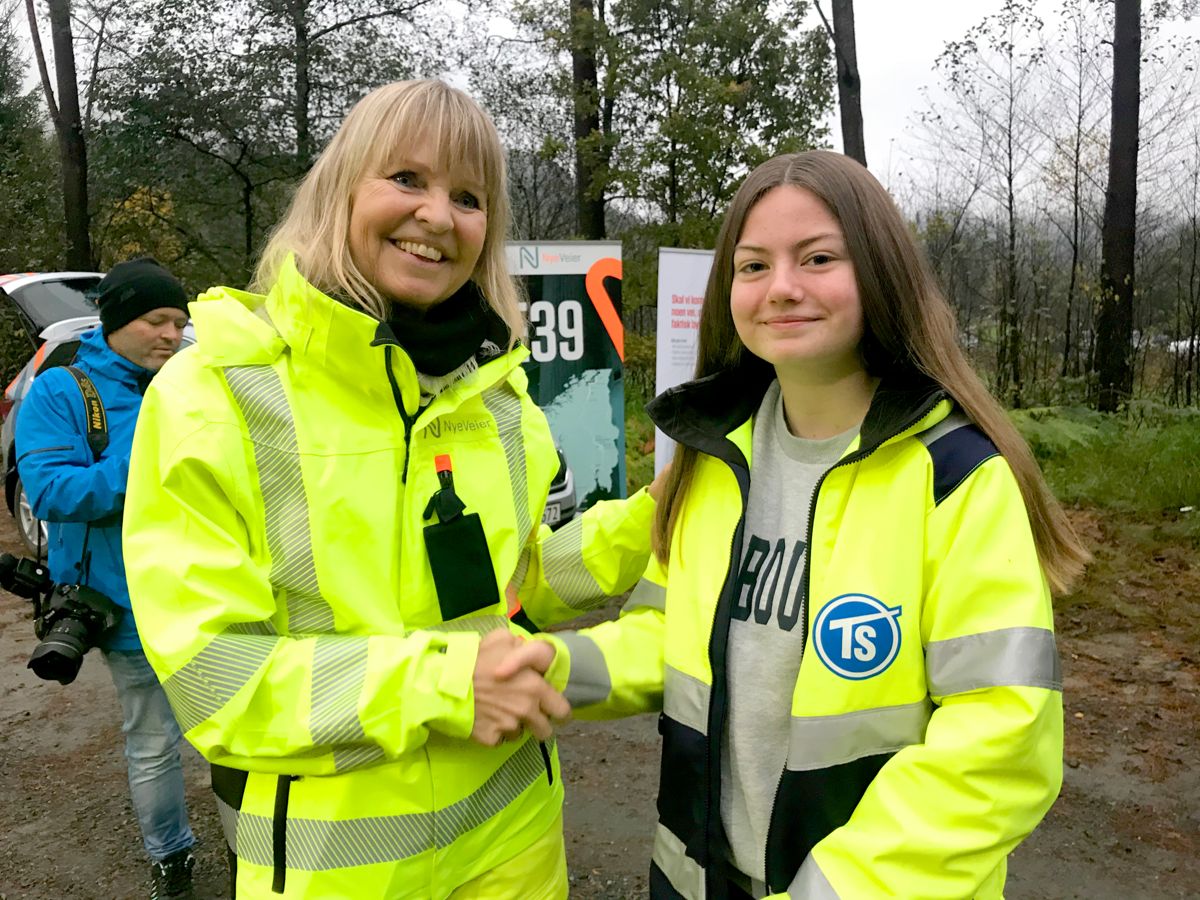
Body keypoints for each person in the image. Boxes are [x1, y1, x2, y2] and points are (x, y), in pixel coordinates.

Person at [120, 79, 655, 899]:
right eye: (407, 179)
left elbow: (518, 588)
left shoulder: (501, 400)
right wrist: (443, 685)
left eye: (469, 197)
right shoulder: (215, 393)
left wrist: (655, 516)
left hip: (518, 849)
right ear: (339, 189)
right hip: (336, 873)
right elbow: (214, 676)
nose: (439, 216)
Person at [533, 150, 1088, 899]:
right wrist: (555, 674)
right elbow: (669, 635)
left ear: (880, 273)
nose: (782, 288)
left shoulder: (954, 475)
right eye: (753, 266)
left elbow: (1002, 740)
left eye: (819, 257)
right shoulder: (713, 458)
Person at [15, 257, 198, 900]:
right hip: (126, 602)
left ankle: (250, 844)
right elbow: (53, 490)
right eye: (157, 321)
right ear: (117, 321)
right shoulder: (63, 392)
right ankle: (172, 861)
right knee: (152, 740)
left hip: (211, 593)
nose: (172, 335)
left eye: (180, 322)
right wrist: (148, 457)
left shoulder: (193, 384)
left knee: (238, 726)